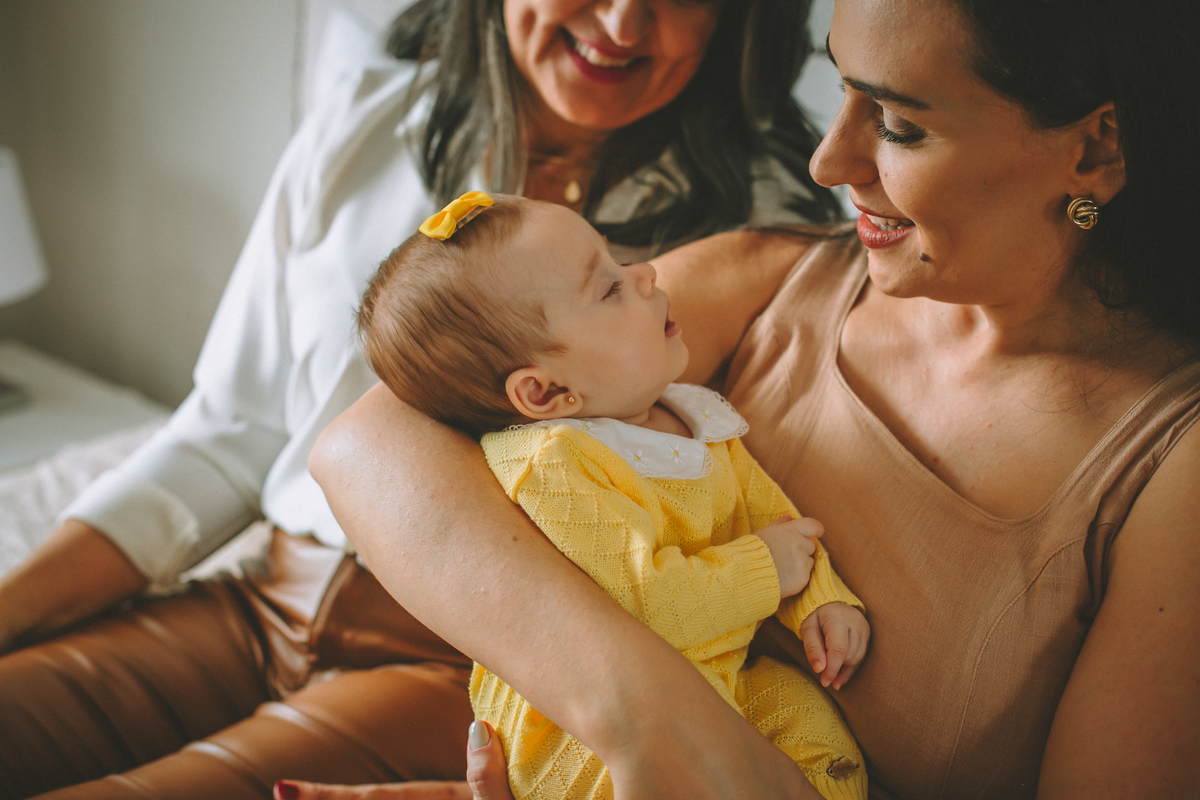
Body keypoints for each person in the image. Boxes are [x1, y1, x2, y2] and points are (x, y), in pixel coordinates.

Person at [300, 0, 1200, 798]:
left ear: (1094, 147)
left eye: (895, 122)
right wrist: (646, 719)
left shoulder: (1171, 466)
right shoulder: (775, 278)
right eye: (840, 88)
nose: (826, 160)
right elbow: (367, 446)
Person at [0, 0, 842, 796]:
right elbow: (234, 428)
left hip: (453, 660)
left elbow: (705, 510)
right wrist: (17, 604)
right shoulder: (368, 122)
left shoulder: (756, 235)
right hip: (259, 591)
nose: (623, 22)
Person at [357, 191, 871, 800]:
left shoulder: (693, 416)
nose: (646, 272)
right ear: (546, 394)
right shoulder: (554, 464)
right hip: (584, 745)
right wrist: (768, 567)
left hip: (719, 679)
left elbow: (774, 517)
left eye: (616, 259)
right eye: (607, 288)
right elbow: (649, 606)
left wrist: (819, 599)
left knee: (819, 735)